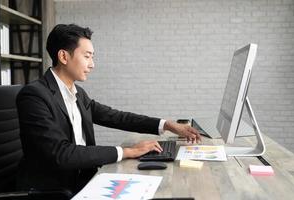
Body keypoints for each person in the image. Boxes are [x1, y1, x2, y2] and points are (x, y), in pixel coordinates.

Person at [16, 24, 201, 193]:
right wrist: (127, 152)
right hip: (55, 190)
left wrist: (167, 125)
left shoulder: (77, 93)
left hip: (85, 180)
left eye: (92, 57)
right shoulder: (34, 96)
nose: (92, 64)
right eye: (86, 56)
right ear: (64, 56)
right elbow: (61, 153)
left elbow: (116, 117)